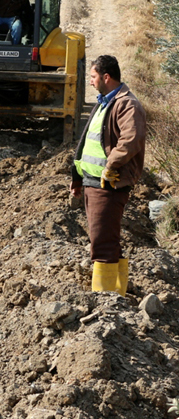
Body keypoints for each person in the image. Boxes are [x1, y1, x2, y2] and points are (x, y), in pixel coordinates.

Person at [70, 55, 146, 296]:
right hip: (94, 183)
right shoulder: (104, 102)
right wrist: (78, 177)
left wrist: (110, 167)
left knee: (103, 245)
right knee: (104, 240)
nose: (90, 82)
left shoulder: (127, 104)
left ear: (106, 77)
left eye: (92, 77)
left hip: (109, 184)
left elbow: (131, 140)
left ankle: (107, 301)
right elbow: (89, 143)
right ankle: (115, 296)